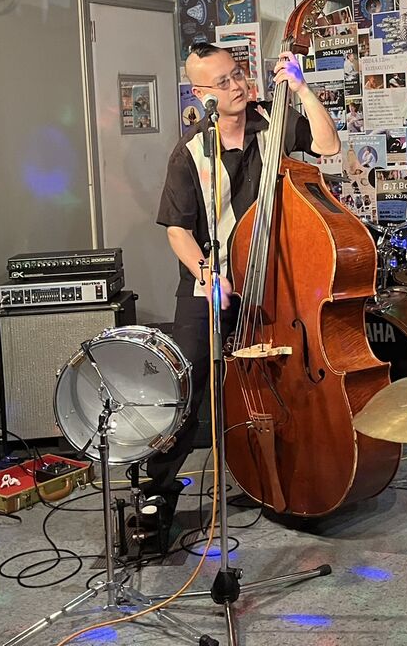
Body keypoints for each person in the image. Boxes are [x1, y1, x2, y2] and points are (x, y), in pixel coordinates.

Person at [151, 44, 341, 517]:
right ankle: (158, 494)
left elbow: (328, 146)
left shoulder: (272, 120)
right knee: (189, 381)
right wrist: (207, 274)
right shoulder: (190, 151)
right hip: (209, 280)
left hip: (272, 279)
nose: (237, 85)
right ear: (201, 93)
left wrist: (302, 89)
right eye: (223, 82)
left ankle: (276, 473)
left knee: (278, 377)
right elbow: (177, 230)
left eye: (237, 74)